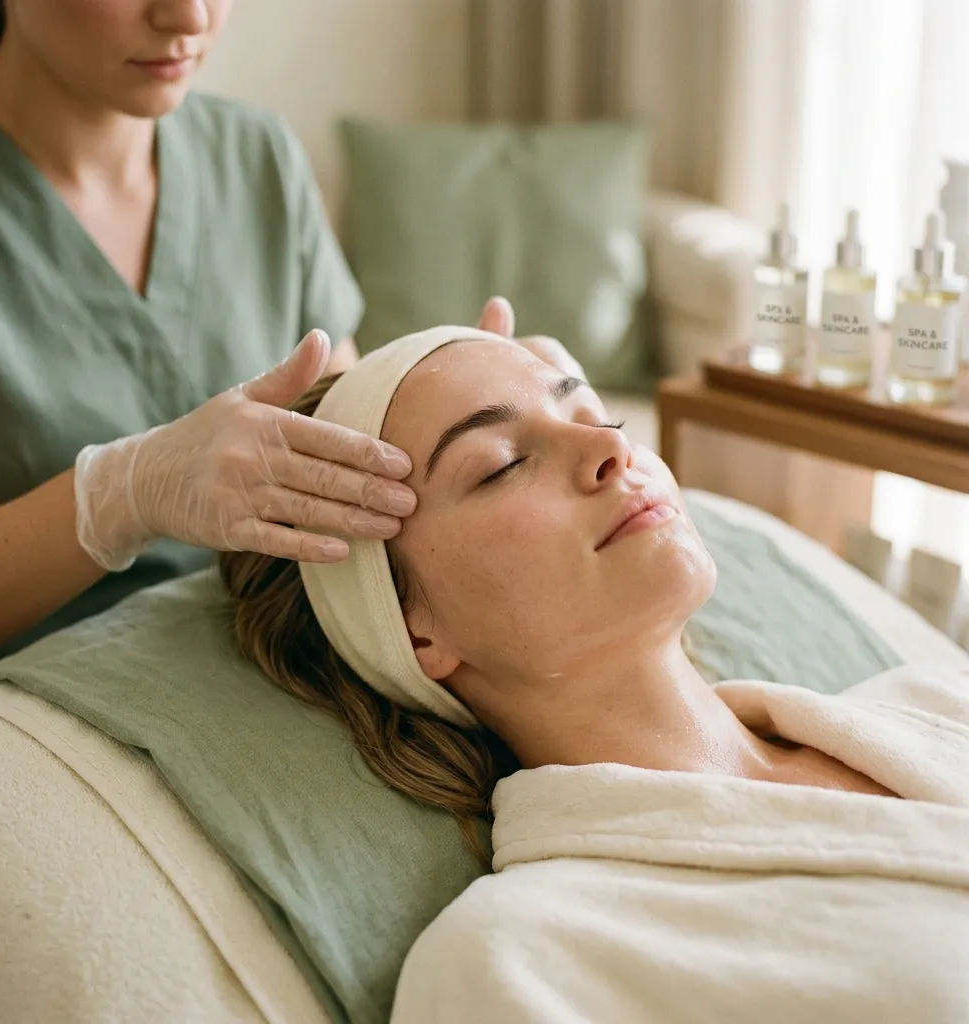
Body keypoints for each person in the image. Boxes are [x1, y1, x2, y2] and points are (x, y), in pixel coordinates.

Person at [220, 325, 969, 1023]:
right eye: (501, 465)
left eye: (589, 408)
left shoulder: (937, 699)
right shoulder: (517, 962)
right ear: (414, 628)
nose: (610, 450)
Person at [0, 0, 576, 695]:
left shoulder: (256, 155)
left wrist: (492, 407)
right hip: (38, 711)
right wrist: (120, 496)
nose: (188, 16)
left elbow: (341, 420)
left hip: (278, 673)